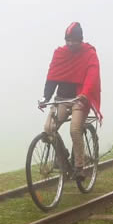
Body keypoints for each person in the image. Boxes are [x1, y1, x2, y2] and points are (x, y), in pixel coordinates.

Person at [39, 22, 102, 179]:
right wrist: (45, 97)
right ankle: (63, 156)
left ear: (80, 39)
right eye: (68, 40)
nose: (70, 43)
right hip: (61, 99)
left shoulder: (89, 54)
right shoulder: (60, 54)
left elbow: (92, 77)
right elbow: (52, 78)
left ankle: (79, 167)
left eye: (74, 40)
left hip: (80, 99)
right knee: (49, 128)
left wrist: (85, 94)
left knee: (75, 130)